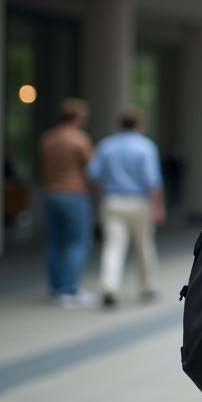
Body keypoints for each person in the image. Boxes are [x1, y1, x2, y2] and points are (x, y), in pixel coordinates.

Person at [86, 106, 165, 307]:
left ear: (119, 124)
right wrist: (158, 206)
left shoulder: (106, 146)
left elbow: (93, 173)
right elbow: (152, 180)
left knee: (113, 246)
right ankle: (149, 286)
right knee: (144, 245)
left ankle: (109, 286)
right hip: (139, 202)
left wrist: (105, 188)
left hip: (112, 200)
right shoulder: (146, 146)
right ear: (139, 125)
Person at [38, 98, 96, 308]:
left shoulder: (47, 138)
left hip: (50, 194)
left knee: (54, 242)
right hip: (73, 194)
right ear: (78, 117)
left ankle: (55, 287)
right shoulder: (79, 139)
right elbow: (91, 168)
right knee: (79, 241)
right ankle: (69, 289)